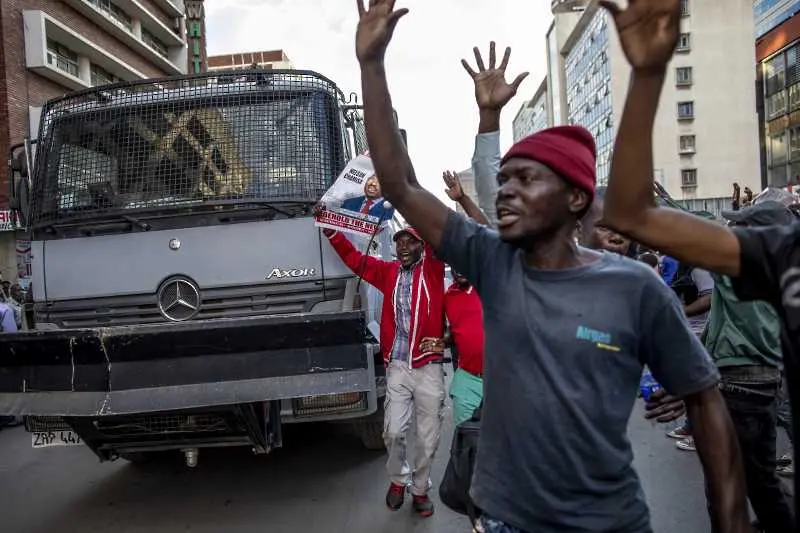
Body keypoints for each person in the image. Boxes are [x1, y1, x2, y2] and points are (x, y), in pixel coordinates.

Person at [353, 2, 750, 532]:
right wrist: (372, 64)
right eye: (507, 177)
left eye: (527, 179)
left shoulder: (636, 289)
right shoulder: (494, 260)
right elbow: (400, 185)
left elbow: (703, 399)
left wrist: (730, 521)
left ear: (575, 200)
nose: (507, 189)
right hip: (503, 519)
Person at [597, 0, 796, 529]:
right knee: (743, 481)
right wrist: (648, 72)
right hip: (748, 381)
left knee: (751, 479)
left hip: (750, 383)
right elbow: (634, 213)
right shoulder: (773, 258)